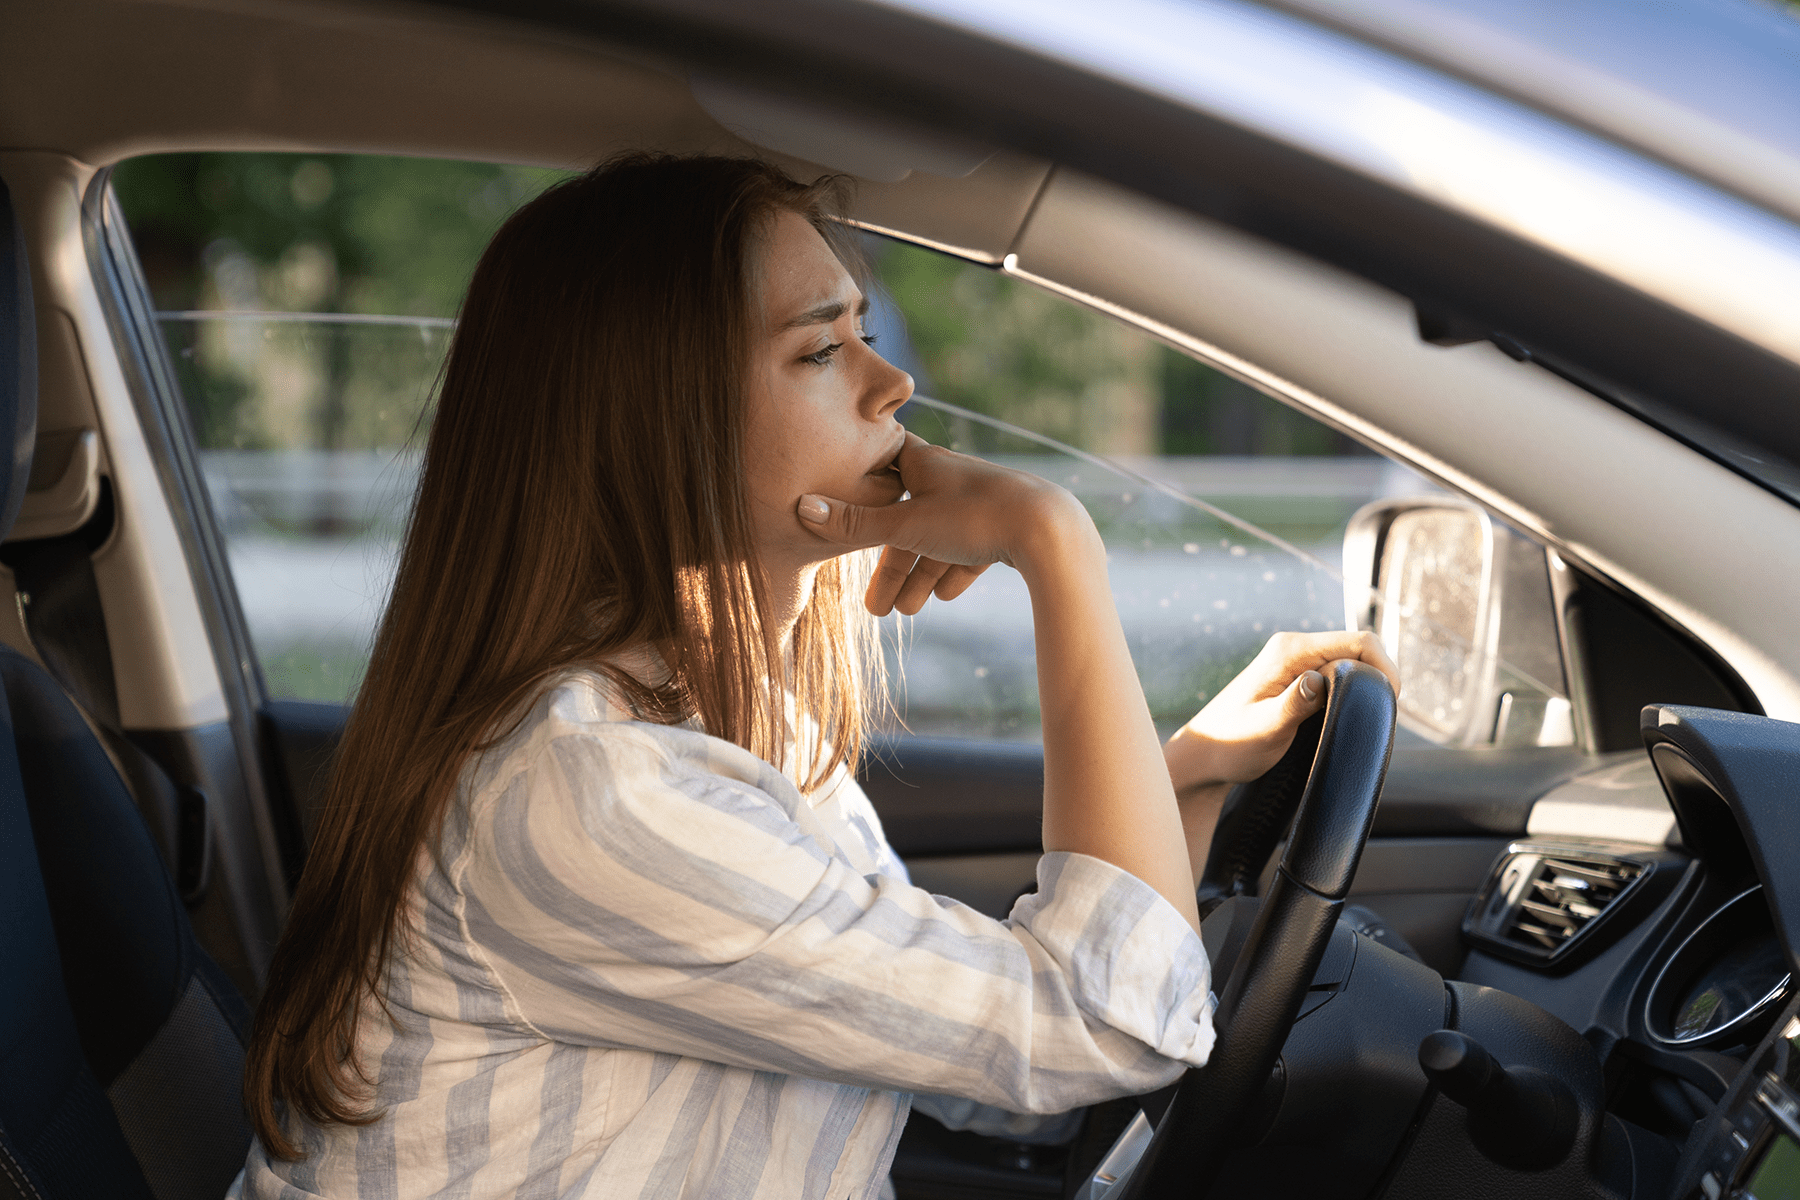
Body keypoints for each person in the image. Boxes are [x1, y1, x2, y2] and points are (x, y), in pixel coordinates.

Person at [237, 153, 1397, 1199]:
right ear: (660, 424)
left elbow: (969, 1062)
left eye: (869, 334)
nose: (891, 388)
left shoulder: (712, 720)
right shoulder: (601, 793)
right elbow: (1099, 1028)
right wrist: (1056, 545)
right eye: (822, 349)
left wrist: (1179, 775)